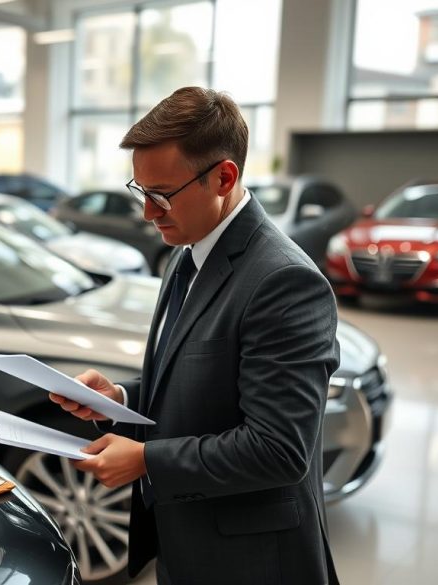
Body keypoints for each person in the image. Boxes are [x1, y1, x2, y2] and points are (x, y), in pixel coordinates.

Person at [49, 87, 341, 585]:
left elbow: (278, 450)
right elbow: (196, 390)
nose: (148, 212)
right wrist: (118, 401)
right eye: (140, 192)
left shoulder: (284, 281)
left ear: (224, 177)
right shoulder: (184, 256)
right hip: (187, 542)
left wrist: (146, 460)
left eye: (161, 195)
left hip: (252, 561)